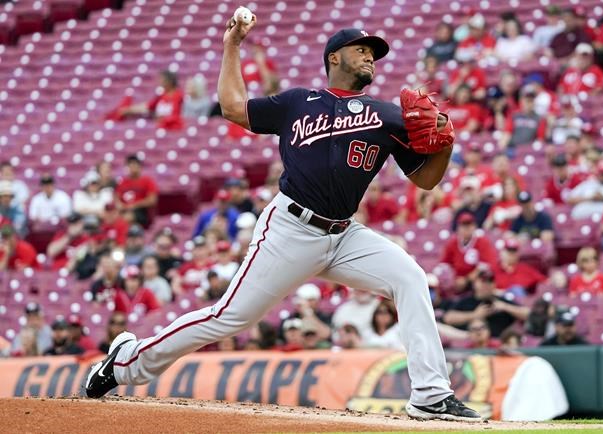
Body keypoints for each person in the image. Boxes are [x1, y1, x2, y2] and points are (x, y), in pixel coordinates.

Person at [85, 22, 480, 421]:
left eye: (373, 54)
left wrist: (445, 145)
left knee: (409, 278)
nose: (370, 58)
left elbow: (426, 181)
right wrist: (232, 46)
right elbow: (233, 108)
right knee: (229, 317)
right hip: (290, 229)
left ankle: (430, 394)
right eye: (361, 50)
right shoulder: (298, 102)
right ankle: (125, 362)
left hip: (345, 235)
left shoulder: (388, 116)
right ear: (334, 57)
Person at [443, 267, 530, 338]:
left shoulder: (500, 301)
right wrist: (474, 315)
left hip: (497, 346)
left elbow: (528, 314)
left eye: (490, 281)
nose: (486, 285)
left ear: (494, 284)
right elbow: (448, 318)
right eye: (483, 281)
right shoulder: (466, 301)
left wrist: (505, 307)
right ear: (475, 283)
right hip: (469, 344)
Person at [441, 212, 498, 293]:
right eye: (464, 225)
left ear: (474, 227)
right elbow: (445, 263)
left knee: (481, 281)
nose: (467, 228)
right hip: (456, 280)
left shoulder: (482, 242)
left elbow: (484, 266)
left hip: (474, 281)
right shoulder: (452, 243)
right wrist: (453, 279)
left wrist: (466, 280)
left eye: (469, 225)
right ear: (458, 227)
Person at [116, 70, 184, 130]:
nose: (160, 82)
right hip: (161, 126)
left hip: (174, 127)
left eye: (162, 80)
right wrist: (130, 109)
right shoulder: (162, 95)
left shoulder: (179, 96)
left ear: (170, 81)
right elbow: (148, 106)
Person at [115, 155, 158, 228]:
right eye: (130, 165)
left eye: (134, 165)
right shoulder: (122, 182)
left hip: (141, 211)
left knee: (125, 218)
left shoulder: (147, 181)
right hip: (124, 210)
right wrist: (118, 203)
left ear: (140, 166)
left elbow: (152, 200)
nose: (132, 168)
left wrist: (134, 205)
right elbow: (116, 196)